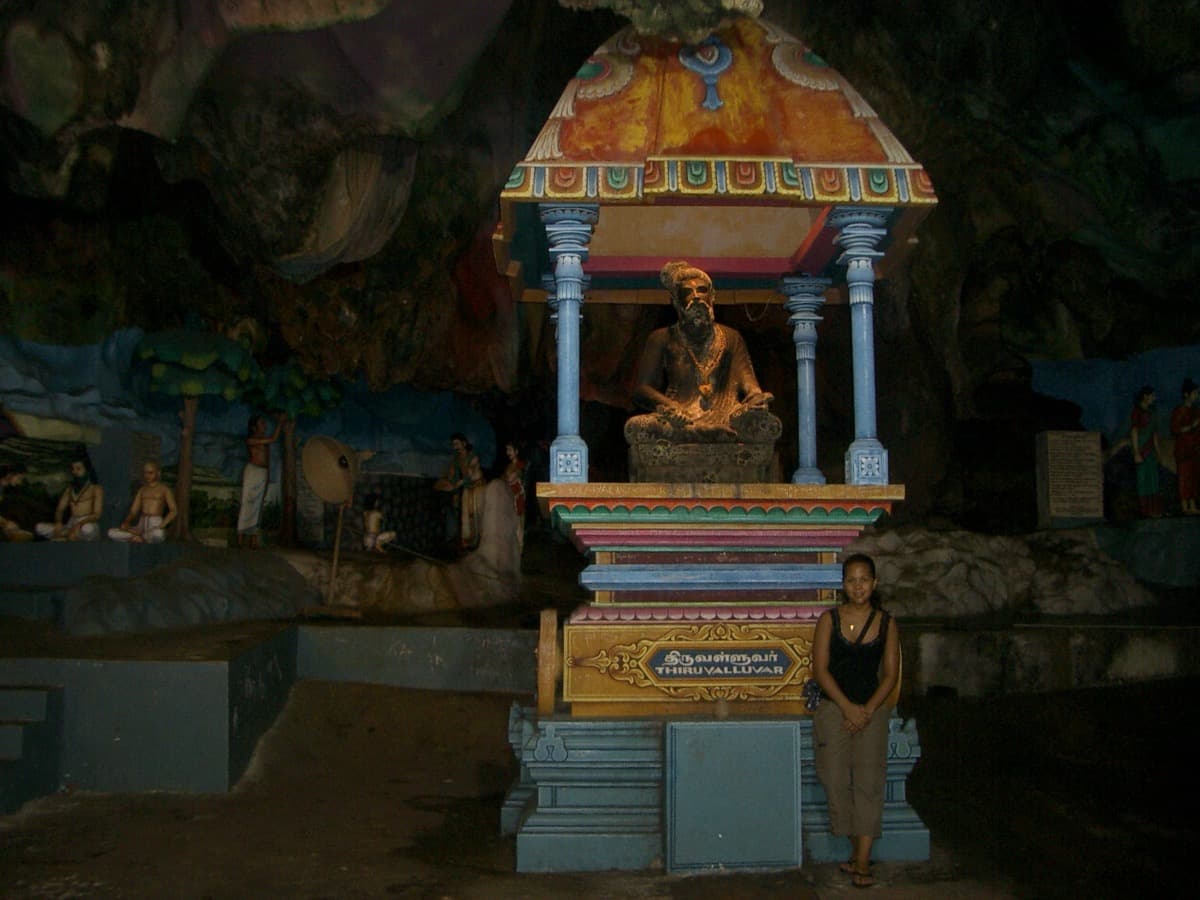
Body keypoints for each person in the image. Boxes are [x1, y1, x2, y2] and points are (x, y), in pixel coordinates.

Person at [811, 552, 900, 889]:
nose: (858, 586)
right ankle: (853, 848)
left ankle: (863, 860)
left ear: (874, 583)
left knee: (868, 781)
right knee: (834, 778)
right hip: (836, 708)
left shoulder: (887, 623)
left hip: (872, 710)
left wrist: (866, 711)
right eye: (851, 580)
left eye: (864, 580)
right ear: (843, 584)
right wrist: (847, 708)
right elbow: (820, 670)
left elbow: (890, 675)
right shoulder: (828, 621)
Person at [625, 260, 779, 443]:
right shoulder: (661, 338)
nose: (696, 297)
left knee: (769, 425)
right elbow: (641, 389)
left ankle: (707, 431)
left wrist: (756, 401)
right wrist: (671, 407)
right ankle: (703, 431)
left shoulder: (731, 337)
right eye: (687, 293)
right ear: (675, 302)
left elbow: (751, 388)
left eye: (701, 290)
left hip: (727, 415)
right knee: (636, 427)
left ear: (712, 297)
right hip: (680, 418)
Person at [35, 447, 104, 541]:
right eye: (73, 469)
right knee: (39, 527)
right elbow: (60, 509)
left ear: (87, 471)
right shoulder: (69, 489)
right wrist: (58, 522)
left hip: (86, 523)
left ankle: (68, 535)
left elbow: (97, 514)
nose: (74, 472)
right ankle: (67, 534)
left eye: (78, 469)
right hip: (71, 524)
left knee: (88, 529)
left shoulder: (96, 489)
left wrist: (80, 524)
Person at [238, 412, 285, 548]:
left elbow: (267, 459)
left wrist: (268, 475)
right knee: (247, 503)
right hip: (252, 471)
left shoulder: (264, 440)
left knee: (258, 506)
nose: (264, 426)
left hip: (262, 473)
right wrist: (280, 424)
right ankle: (240, 539)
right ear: (254, 427)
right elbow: (273, 439)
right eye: (262, 423)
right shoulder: (251, 440)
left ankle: (253, 540)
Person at [434, 433, 485, 551]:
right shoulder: (456, 459)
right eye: (453, 444)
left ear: (464, 443)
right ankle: (468, 542)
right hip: (466, 488)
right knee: (466, 515)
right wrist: (447, 484)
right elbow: (453, 475)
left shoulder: (473, 456)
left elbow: (470, 475)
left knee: (477, 513)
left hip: (478, 488)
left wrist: (457, 485)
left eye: (457, 443)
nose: (455, 446)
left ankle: (480, 541)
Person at [107, 461, 177, 543]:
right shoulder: (142, 490)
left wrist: (161, 525)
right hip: (141, 524)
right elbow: (133, 511)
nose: (147, 476)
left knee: (158, 534)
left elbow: (174, 511)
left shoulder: (164, 489)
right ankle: (139, 537)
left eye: (150, 473)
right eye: (145, 473)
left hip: (156, 523)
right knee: (111, 532)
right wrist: (126, 522)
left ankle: (141, 538)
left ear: (158, 473)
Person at [1130, 385, 1163, 518]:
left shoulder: (1152, 413)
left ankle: (1155, 510)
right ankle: (1145, 511)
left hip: (1150, 451)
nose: (1154, 398)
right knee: (1143, 480)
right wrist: (1136, 452)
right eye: (1152, 396)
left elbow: (1154, 434)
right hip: (1141, 450)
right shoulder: (1137, 412)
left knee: (1153, 479)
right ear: (1145, 396)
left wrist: (1158, 453)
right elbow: (1134, 431)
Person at [1171, 377, 1200, 516]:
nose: (1196, 396)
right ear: (1186, 394)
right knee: (1184, 478)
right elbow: (1176, 429)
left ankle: (1192, 504)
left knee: (1194, 477)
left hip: (1194, 449)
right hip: (1183, 451)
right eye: (1194, 393)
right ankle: (1185, 506)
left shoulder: (1196, 411)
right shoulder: (1179, 411)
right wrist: (1191, 426)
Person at [503, 441, 527, 553]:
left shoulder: (520, 465)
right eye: (507, 450)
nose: (508, 452)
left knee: (518, 523)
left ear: (516, 451)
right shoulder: (509, 465)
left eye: (510, 450)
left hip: (517, 497)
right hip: (508, 496)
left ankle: (519, 548)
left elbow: (513, 477)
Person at [0, 463, 34, 542]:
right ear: (9, 475)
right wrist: (6, 523)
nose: (19, 482)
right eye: (19, 478)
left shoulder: (2, 488)